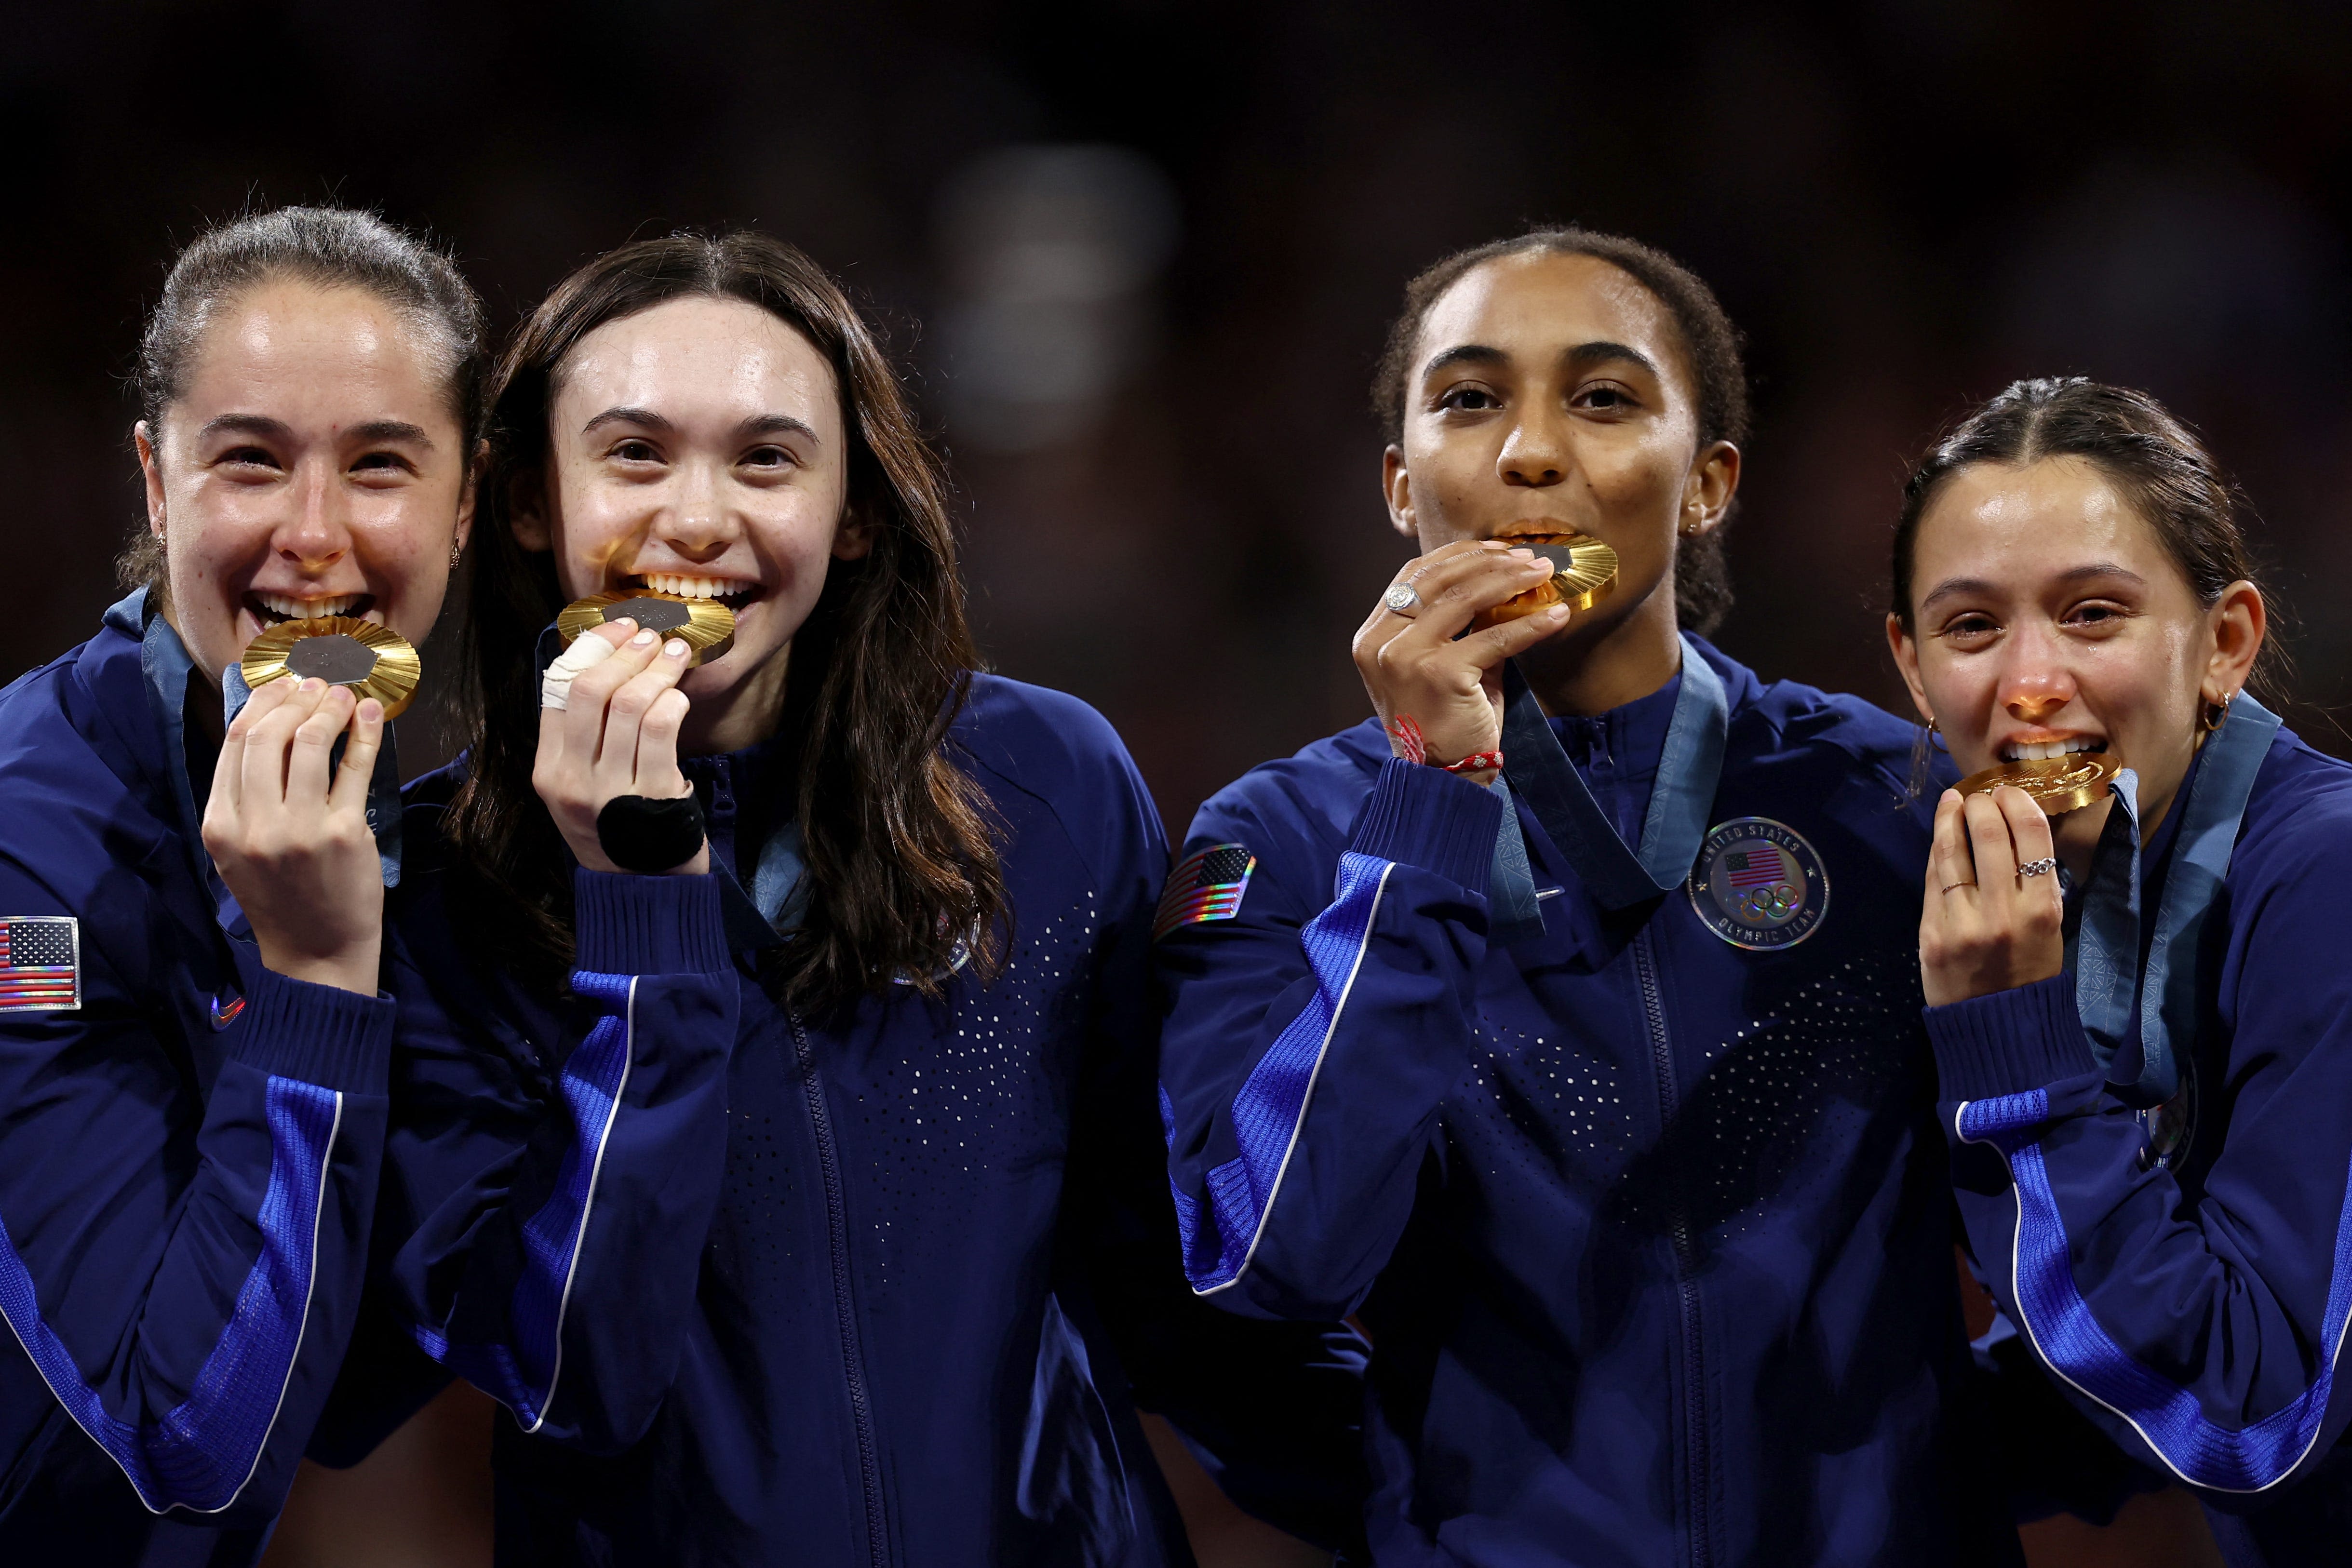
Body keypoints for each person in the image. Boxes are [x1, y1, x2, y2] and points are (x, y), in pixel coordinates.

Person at [342, 231, 1362, 1565]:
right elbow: (569, 1368)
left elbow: (1169, 1279)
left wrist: (1458, 1505)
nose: (698, 518)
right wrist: (640, 917)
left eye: (767, 458)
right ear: (533, 497)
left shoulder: (1045, 782)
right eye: (635, 453)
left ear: (857, 508)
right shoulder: (447, 881)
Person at [1156, 228, 2024, 1565]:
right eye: (1468, 399)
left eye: (1605, 398)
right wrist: (1431, 798)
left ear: (1709, 485)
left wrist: (1940, 1483)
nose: (1532, 453)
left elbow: (2062, 1215)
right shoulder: (1288, 836)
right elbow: (1277, 1254)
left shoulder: (1893, 800)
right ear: (1400, 486)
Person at [0, 207, 483, 1562]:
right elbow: (188, 1448)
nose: (315, 536)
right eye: (251, 462)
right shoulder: (23, 864)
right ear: (158, 486)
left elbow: (345, 1383)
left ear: (468, 501)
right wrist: (318, 978)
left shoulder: (388, 831)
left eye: (380, 465)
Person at [1889, 377, 2352, 1565]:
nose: (2030, 682)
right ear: (1910, 666)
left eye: (2092, 614)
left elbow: (2251, 1420)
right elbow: (2110, 1399)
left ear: (2224, 643)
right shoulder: (2077, 880)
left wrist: (2016, 1063)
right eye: (1972, 626)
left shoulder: (2325, 874)